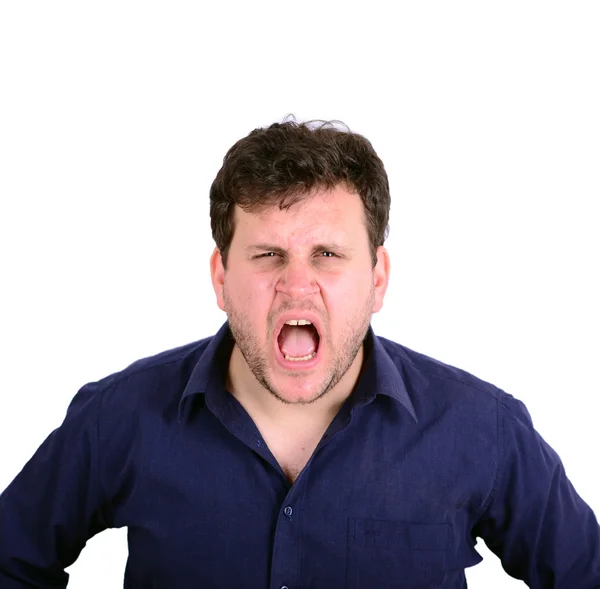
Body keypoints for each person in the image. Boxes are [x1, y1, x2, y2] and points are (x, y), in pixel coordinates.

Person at [1, 120, 598, 589]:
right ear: (220, 276)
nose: (296, 283)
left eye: (328, 255)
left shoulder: (482, 429)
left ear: (378, 278)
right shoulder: (119, 416)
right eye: (267, 255)